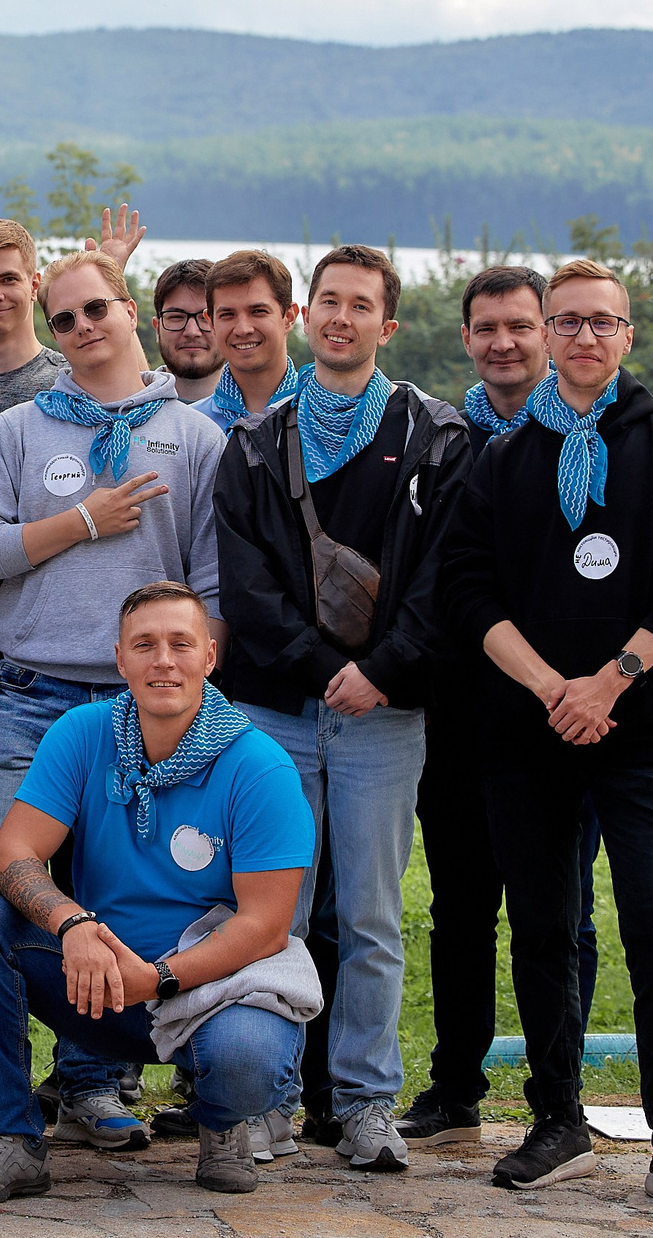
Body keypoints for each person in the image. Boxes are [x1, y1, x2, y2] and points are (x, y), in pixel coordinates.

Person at [435, 257, 653, 1213]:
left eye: (599, 322)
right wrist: (549, 688)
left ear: (627, 335)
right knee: (544, 933)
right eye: (564, 322)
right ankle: (558, 1115)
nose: (580, 337)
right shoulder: (502, 459)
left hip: (643, 737)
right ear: (547, 331)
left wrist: (611, 680)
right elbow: (467, 587)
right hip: (527, 739)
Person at [0, 248, 227, 1153]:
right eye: (62, 319)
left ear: (131, 309)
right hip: (31, 695)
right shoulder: (22, 430)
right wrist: (82, 521)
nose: (80, 330)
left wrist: (189, 690)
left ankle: (90, 1079)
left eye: (95, 310)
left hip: (142, 711)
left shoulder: (194, 436)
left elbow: (213, 581)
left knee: (115, 893)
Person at [0, 582, 316, 1207]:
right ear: (120, 660)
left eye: (180, 644)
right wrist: (72, 925)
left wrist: (162, 978)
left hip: (209, 990)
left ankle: (222, 1124)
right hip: (102, 982)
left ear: (209, 658)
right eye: (145, 645)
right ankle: (13, 1138)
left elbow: (266, 927)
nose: (163, 660)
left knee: (249, 1060)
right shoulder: (83, 733)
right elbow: (11, 857)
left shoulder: (260, 767)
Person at [214, 244, 469, 1171]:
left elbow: (446, 579)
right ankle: (267, 1099)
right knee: (270, 912)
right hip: (278, 707)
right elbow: (244, 587)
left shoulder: (437, 437)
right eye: (328, 300)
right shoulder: (253, 442)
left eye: (362, 305)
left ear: (386, 326)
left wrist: (384, 671)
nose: (341, 318)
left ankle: (365, 1101)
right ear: (305, 313)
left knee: (368, 918)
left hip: (385, 715)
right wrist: (327, 667)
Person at [395, 264, 548, 1145]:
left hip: (556, 708)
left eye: (519, 327)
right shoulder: (441, 440)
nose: (503, 343)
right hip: (454, 705)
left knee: (554, 912)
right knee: (460, 904)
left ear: (547, 332)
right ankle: (455, 1088)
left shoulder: (585, 439)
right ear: (466, 338)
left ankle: (551, 1097)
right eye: (486, 328)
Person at [0, 213, 143, 422]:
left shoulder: (76, 380)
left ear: (34, 285)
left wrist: (112, 286)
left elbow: (139, 400)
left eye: (8, 279)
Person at [199, 250, 306, 430]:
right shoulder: (191, 427)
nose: (243, 329)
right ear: (211, 323)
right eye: (227, 315)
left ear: (289, 317)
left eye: (258, 312)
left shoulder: (320, 419)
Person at [153, 258, 222, 406]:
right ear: (157, 328)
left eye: (205, 317)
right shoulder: (124, 411)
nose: (192, 332)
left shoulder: (266, 415)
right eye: (177, 317)